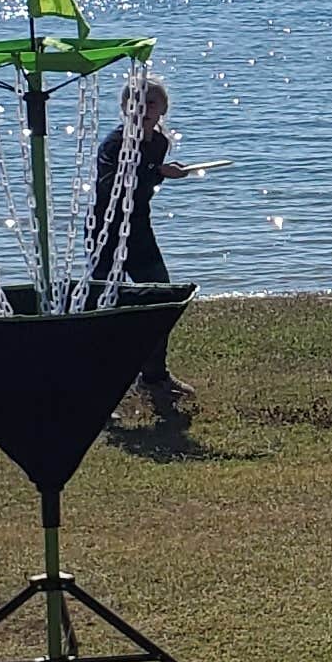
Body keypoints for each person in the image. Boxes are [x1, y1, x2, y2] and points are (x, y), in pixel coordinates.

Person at [94, 73, 196, 424]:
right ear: (124, 108)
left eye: (151, 102)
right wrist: (157, 173)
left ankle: (153, 378)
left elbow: (146, 179)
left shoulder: (159, 142)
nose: (143, 109)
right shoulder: (114, 144)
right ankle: (97, 391)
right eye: (135, 102)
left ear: (163, 108)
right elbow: (112, 187)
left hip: (139, 231)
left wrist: (161, 171)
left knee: (163, 298)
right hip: (107, 234)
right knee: (102, 313)